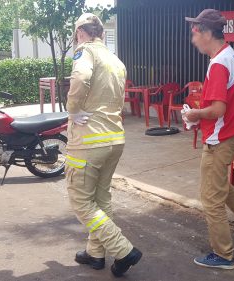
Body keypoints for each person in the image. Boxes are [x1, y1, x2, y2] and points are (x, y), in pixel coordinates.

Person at [183, 9, 234, 270]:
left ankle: (223, 254)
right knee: (217, 184)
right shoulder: (232, 56)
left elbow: (218, 109)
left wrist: (194, 114)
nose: (193, 39)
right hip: (231, 133)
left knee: (210, 197)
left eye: (195, 34)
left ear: (207, 33)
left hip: (220, 137)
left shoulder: (218, 64)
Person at [65, 13, 141, 278]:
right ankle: (96, 252)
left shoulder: (85, 51)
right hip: (114, 139)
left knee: (81, 202)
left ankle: (123, 250)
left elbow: (81, 77)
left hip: (88, 141)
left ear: (80, 33)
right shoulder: (115, 59)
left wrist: (72, 109)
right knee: (101, 198)